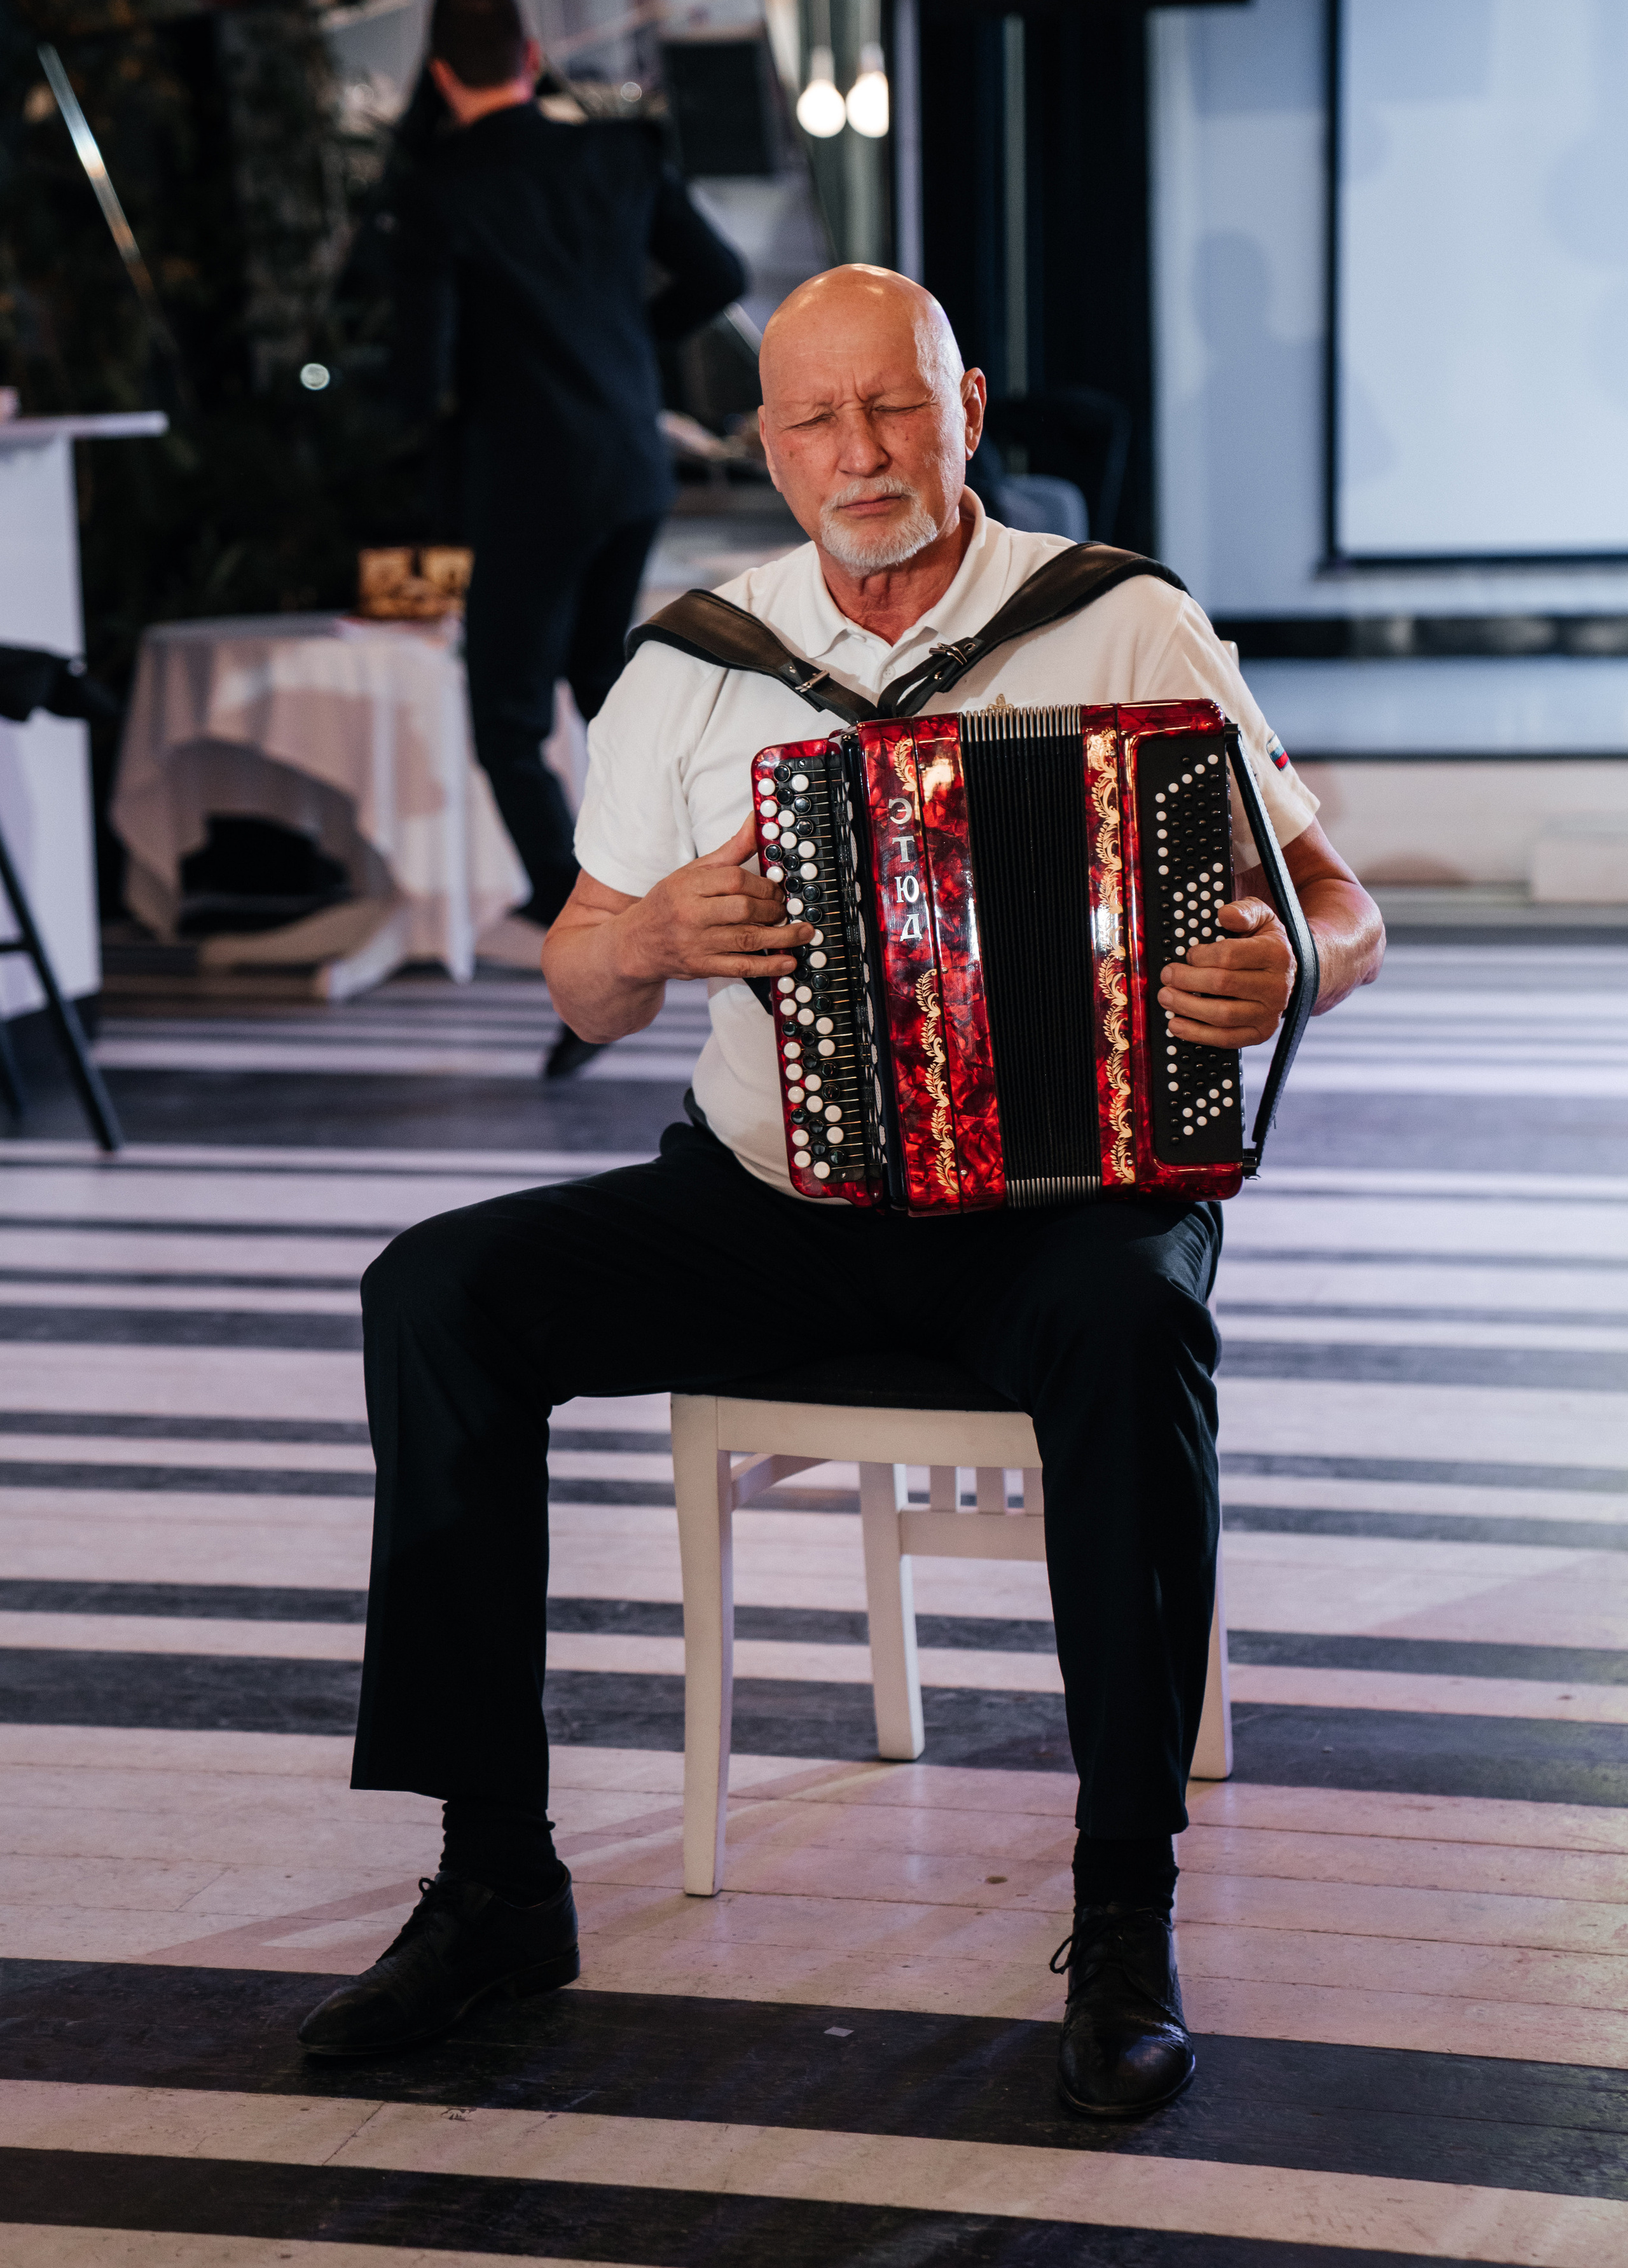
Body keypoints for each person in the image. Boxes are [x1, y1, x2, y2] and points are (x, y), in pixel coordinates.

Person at [298, 266, 1384, 2118]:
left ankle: (1123, 1906)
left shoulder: (1124, 621)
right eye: (812, 419)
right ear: (768, 443)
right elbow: (576, 975)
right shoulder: (694, 661)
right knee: (438, 1290)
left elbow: (1337, 898)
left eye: (894, 407)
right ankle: (497, 1879)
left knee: (1138, 1315)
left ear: (968, 404)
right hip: (770, 1203)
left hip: (1063, 1208)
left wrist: (1297, 966)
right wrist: (646, 932)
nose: (858, 453)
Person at [393, 0, 747, 1072]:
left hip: (528, 480)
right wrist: (626, 347)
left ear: (444, 72)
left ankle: (586, 942)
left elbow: (422, 375)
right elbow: (722, 273)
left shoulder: (443, 187)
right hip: (630, 464)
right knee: (608, 688)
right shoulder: (620, 153)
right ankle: (721, 895)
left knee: (507, 718)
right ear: (535, 55)